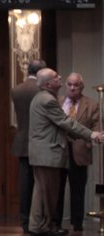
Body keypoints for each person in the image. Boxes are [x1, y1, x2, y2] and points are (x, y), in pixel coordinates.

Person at [28, 68, 102, 236]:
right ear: (48, 84)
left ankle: (38, 226)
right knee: (47, 194)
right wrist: (91, 134)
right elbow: (66, 123)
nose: (59, 77)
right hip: (48, 154)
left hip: (43, 154)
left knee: (41, 192)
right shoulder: (49, 100)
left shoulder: (41, 97)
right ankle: (43, 227)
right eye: (56, 77)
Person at [54, 72, 100, 234]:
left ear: (82, 87)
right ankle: (56, 223)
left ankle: (77, 224)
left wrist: (90, 141)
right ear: (66, 85)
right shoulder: (56, 102)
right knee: (57, 190)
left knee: (78, 190)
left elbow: (96, 127)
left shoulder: (92, 104)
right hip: (59, 151)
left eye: (76, 85)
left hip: (80, 152)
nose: (72, 88)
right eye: (70, 84)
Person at [11, 59, 47, 234]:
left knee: (25, 183)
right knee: (41, 183)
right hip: (41, 141)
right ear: (41, 72)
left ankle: (24, 221)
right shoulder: (43, 90)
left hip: (22, 141)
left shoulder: (17, 90)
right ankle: (39, 220)